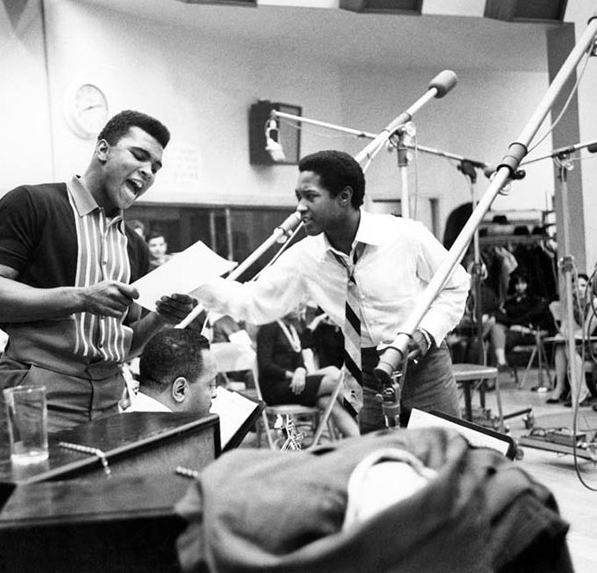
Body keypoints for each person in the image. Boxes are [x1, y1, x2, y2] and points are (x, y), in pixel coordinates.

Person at [193, 150, 469, 433]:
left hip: (423, 364)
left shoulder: (405, 236)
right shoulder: (305, 258)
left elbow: (456, 285)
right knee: (379, 459)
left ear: (344, 197)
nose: (300, 207)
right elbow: (252, 302)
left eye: (310, 197)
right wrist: (191, 281)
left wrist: (425, 333)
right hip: (368, 373)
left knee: (446, 450)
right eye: (297, 197)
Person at [0, 110, 195, 448]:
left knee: (96, 497)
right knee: (34, 496)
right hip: (39, 389)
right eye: (139, 156)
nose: (147, 172)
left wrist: (162, 318)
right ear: (103, 149)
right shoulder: (33, 203)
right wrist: (82, 298)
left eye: (156, 168)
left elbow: (127, 346)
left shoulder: (133, 243)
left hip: (108, 394)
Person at [256, 307, 358, 437]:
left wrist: (300, 371)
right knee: (335, 382)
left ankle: (358, 439)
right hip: (275, 389)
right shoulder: (269, 328)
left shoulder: (292, 329)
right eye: (295, 306)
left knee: (329, 402)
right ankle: (365, 423)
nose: (299, 309)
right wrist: (294, 375)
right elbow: (265, 365)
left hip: (294, 384)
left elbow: (300, 363)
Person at [125, 328, 218, 413]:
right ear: (180, 390)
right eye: (210, 385)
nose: (215, 394)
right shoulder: (168, 430)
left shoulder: (120, 424)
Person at [490, 270, 555, 371]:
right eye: (517, 283)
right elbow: (504, 318)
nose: (520, 287)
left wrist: (519, 325)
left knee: (495, 344)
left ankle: (492, 376)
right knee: (493, 336)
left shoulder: (536, 301)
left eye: (523, 283)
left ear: (528, 284)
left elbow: (541, 319)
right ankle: (500, 364)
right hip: (512, 332)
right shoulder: (510, 303)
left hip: (529, 333)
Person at [548, 273, 592, 406]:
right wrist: (565, 334)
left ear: (589, 287)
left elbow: (588, 329)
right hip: (582, 341)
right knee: (562, 347)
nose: (579, 289)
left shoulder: (595, 304)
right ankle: (562, 387)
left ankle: (581, 391)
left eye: (583, 285)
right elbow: (566, 326)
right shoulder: (572, 304)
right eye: (575, 286)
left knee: (568, 346)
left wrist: (569, 335)